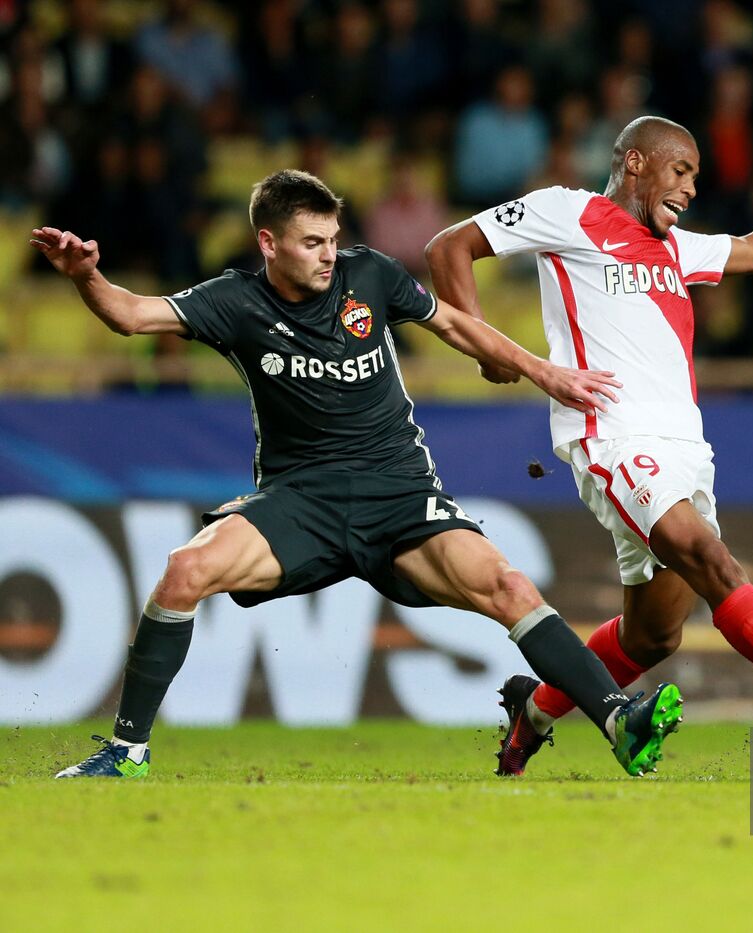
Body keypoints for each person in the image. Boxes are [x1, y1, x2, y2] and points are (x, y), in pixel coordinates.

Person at [31, 169, 683, 779]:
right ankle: (125, 751)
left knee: (509, 585)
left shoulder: (368, 276)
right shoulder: (233, 301)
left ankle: (619, 720)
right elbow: (131, 314)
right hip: (301, 499)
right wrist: (86, 277)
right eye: (311, 242)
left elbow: (454, 323)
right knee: (183, 571)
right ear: (269, 242)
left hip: (399, 495)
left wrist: (547, 373)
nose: (327, 254)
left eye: (333, 239)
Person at [425, 111, 753, 775]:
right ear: (634, 162)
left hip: (686, 447)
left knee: (653, 633)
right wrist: (489, 351)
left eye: (695, 177)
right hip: (612, 436)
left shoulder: (679, 248)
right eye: (680, 170)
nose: (689, 188)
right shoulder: (567, 212)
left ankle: (533, 712)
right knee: (713, 560)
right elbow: (447, 248)